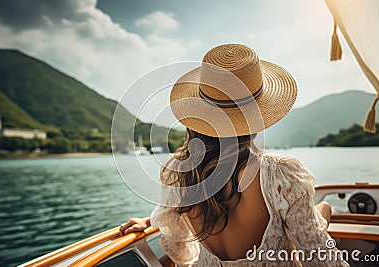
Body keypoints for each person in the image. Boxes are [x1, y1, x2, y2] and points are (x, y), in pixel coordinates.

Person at [120, 44, 349, 266]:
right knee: (325, 208)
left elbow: (179, 249)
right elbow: (320, 257)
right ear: (257, 116)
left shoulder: (178, 171)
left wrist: (150, 222)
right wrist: (324, 212)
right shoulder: (278, 174)